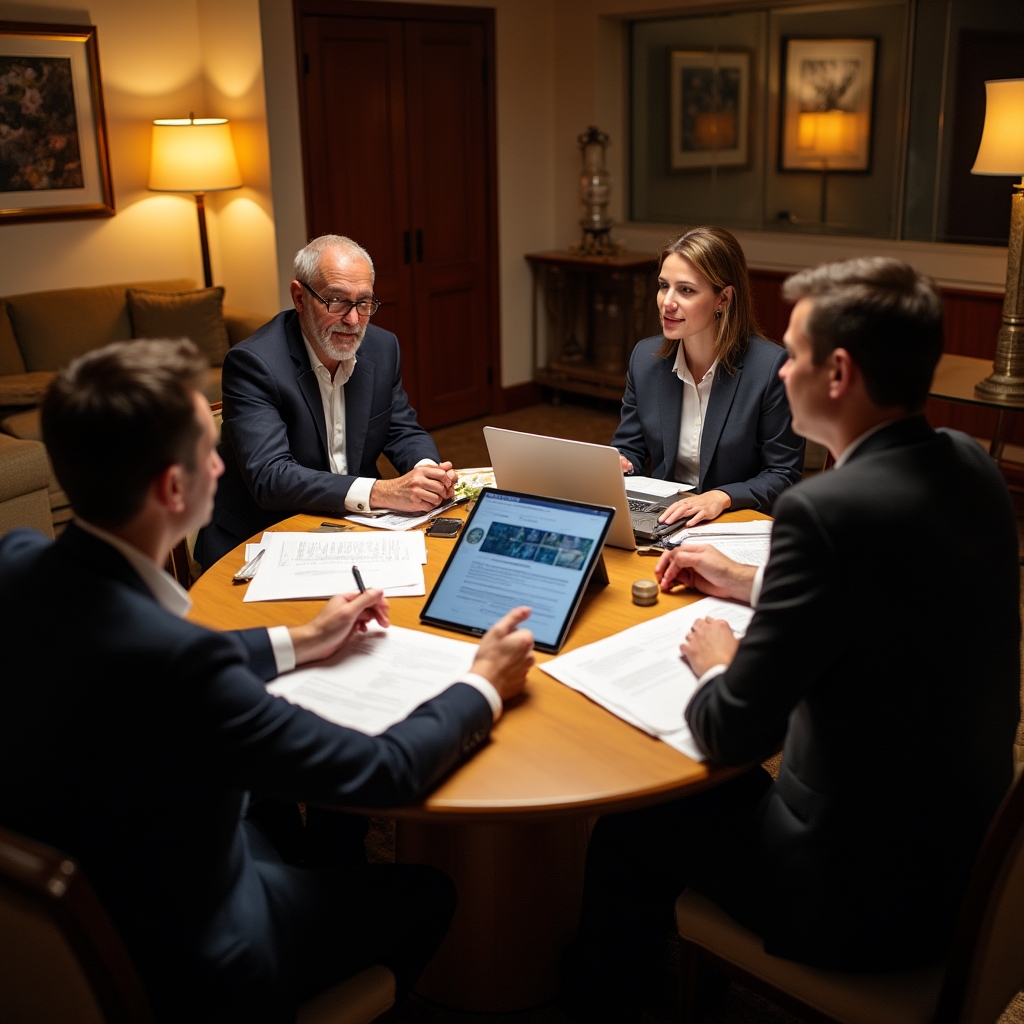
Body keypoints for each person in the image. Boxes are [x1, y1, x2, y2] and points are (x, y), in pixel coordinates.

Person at [0, 338, 535, 1024]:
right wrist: (484, 683)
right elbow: (385, 772)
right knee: (427, 894)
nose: (224, 465)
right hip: (193, 958)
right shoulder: (185, 668)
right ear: (173, 488)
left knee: (279, 827)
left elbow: (138, 655)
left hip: (78, 887)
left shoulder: (17, 560)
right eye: (209, 450)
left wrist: (301, 639)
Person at [565, 257, 1020, 1022]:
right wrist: (747, 584)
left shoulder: (824, 512)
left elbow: (733, 729)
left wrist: (718, 663)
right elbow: (891, 591)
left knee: (628, 825)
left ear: (838, 373)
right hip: (964, 863)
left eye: (798, 356)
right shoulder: (971, 465)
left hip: (851, 894)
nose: (781, 375)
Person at [195, 234, 456, 568]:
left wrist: (426, 473)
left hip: (352, 527)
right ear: (300, 297)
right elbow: (272, 477)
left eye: (364, 303)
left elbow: (402, 429)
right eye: (336, 301)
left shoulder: (382, 347)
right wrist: (383, 492)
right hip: (264, 535)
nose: (352, 320)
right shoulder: (254, 363)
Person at [611, 226, 804, 527]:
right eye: (664, 286)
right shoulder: (644, 360)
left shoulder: (770, 369)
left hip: (732, 520)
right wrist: (622, 463)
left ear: (723, 299)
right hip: (662, 518)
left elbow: (783, 475)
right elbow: (631, 449)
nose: (668, 302)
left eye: (686, 290)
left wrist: (721, 497)